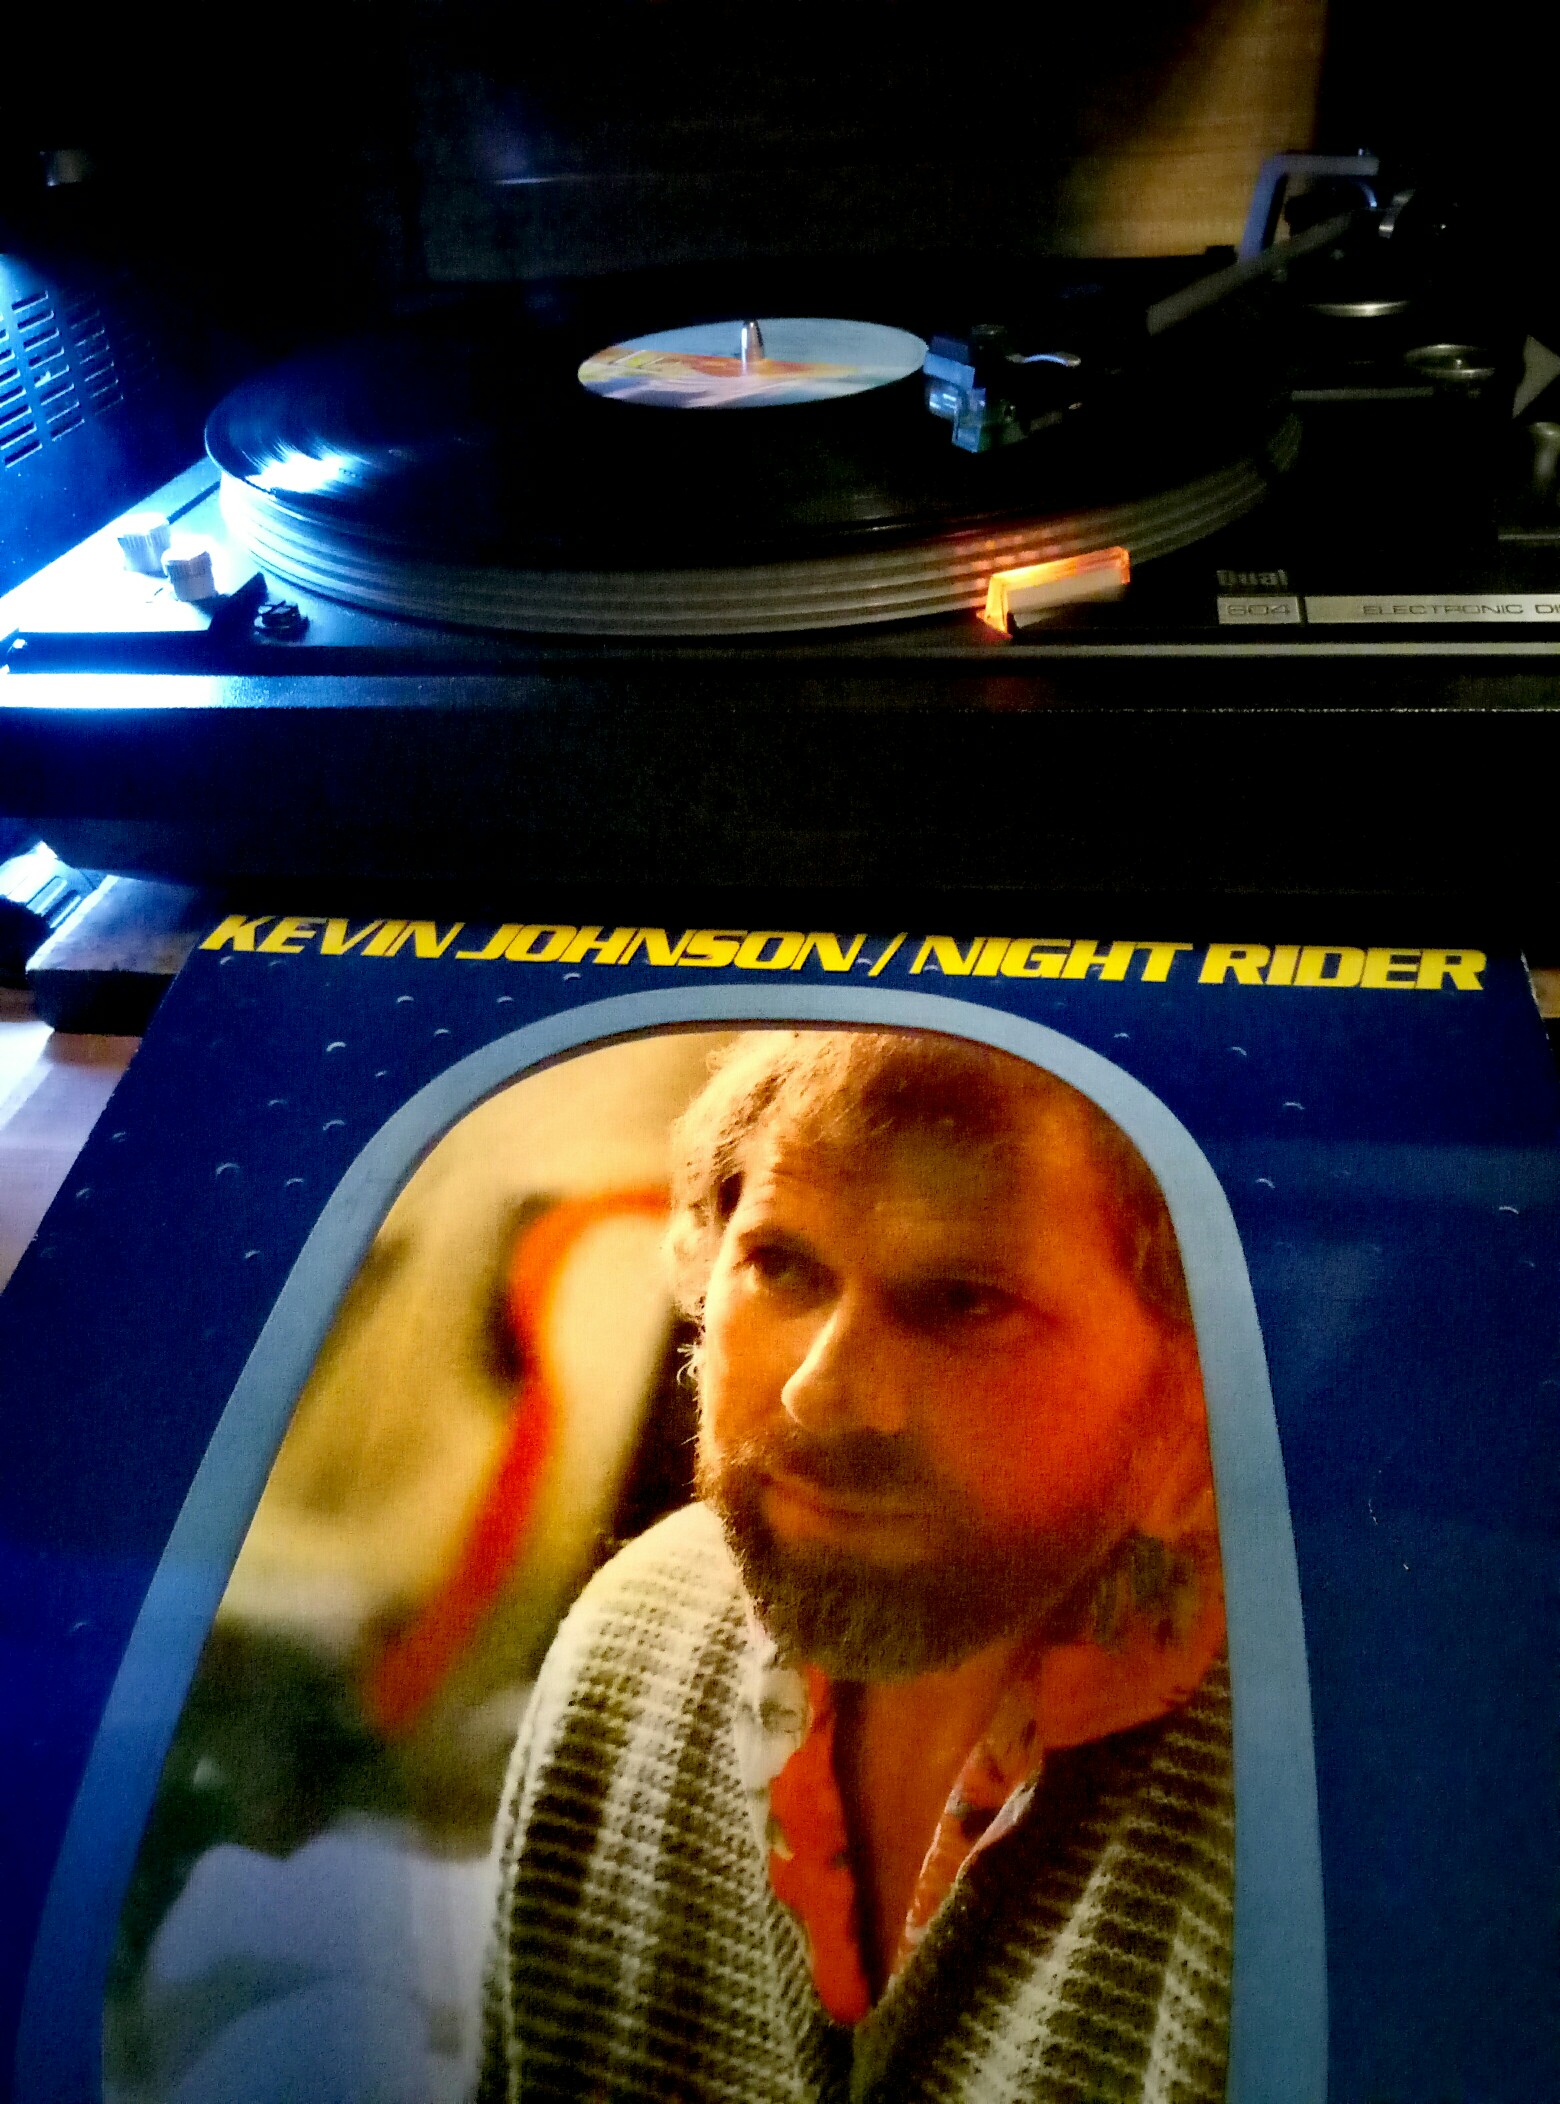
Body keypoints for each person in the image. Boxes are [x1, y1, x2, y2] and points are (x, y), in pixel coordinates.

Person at [478, 1029, 1230, 2104]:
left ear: (1186, 1401)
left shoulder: (1294, 1801)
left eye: (964, 1302)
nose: (821, 1393)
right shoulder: (638, 1637)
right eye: (780, 1264)